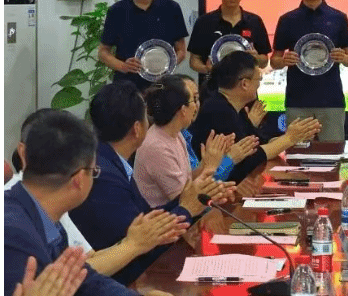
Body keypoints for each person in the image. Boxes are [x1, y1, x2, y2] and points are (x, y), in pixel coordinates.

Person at [69, 82, 231, 285]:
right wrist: (187, 208)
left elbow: (147, 219)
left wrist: (187, 200)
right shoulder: (103, 176)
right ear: (137, 129)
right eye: (146, 116)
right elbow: (143, 242)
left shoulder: (111, 160)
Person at [7, 110, 188, 280]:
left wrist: (133, 244)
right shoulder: (14, 228)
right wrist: (133, 245)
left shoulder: (48, 205)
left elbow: (84, 272)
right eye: (93, 171)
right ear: (79, 179)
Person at [5, 110, 142, 296]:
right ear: (78, 180)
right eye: (94, 171)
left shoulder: (45, 218)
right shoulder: (12, 237)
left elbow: (83, 279)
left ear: (24, 155)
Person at [188, 51, 322, 184]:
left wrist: (294, 137)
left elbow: (259, 143)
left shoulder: (235, 108)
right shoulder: (219, 109)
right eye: (259, 80)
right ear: (244, 84)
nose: (259, 85)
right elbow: (251, 158)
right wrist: (289, 138)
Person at [134, 75, 260, 207]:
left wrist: (205, 165)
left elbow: (188, 182)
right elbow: (185, 202)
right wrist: (210, 167)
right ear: (183, 110)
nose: (197, 106)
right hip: (169, 217)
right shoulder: (157, 147)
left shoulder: (176, 134)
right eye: (194, 100)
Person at [270, 0, 348, 142]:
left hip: (331, 100)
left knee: (333, 153)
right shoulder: (287, 20)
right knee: (297, 153)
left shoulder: (339, 18)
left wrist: (343, 57)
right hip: (297, 100)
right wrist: (283, 60)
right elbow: (274, 61)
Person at [98, 0, 189, 91]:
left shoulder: (171, 8)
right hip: (126, 86)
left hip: (162, 86)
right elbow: (103, 52)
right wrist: (123, 66)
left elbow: (181, 50)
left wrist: (165, 66)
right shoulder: (117, 11)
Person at [188, 0, 271, 100]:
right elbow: (194, 60)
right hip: (213, 93)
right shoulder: (204, 22)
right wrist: (208, 69)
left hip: (247, 94)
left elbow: (264, 61)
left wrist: (256, 57)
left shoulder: (255, 21)